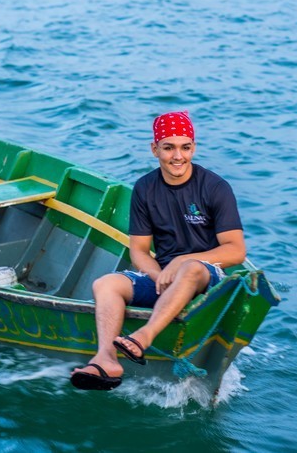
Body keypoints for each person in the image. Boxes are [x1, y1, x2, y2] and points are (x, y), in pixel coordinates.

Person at [70, 112, 246, 390]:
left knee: (189, 269)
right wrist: (161, 275)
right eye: (169, 147)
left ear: (194, 148)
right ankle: (106, 359)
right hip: (164, 277)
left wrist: (182, 262)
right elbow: (139, 251)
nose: (178, 156)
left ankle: (143, 337)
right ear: (155, 149)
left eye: (185, 147)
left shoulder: (215, 187)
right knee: (106, 284)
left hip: (206, 278)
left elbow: (235, 251)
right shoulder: (145, 188)